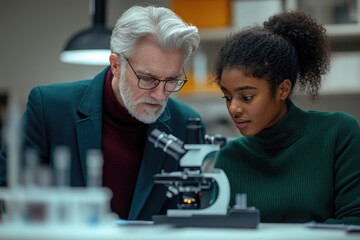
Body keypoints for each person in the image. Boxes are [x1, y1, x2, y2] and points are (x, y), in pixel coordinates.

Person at [0, 5, 203, 221]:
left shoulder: (188, 124)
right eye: (148, 79)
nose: (161, 95)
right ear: (116, 65)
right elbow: (5, 189)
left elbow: (192, 214)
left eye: (171, 80)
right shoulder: (49, 108)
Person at [212, 11, 360, 224]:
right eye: (227, 97)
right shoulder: (229, 157)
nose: (233, 108)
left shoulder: (339, 134)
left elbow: (355, 223)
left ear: (282, 89)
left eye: (246, 97)